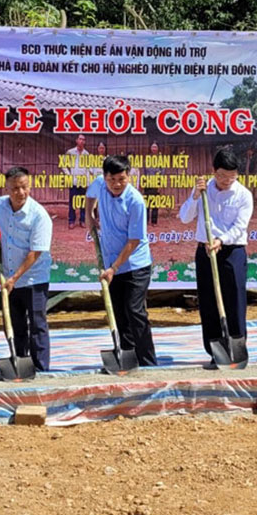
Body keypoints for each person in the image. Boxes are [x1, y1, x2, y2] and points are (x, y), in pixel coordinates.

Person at [178, 149, 254, 363]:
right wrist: (194, 196)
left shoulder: (244, 195)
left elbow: (240, 227)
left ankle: (236, 348)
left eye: (231, 177)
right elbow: (185, 217)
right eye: (221, 176)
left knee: (235, 301)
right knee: (208, 301)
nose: (226, 181)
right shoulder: (203, 190)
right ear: (213, 171)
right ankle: (214, 351)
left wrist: (221, 240)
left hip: (232, 252)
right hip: (205, 251)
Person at [89, 154, 157, 366]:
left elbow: (134, 240)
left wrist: (114, 268)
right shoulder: (99, 184)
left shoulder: (135, 201)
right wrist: (89, 214)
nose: (117, 184)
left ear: (129, 176)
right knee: (118, 312)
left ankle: (147, 361)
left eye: (122, 179)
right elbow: (89, 195)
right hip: (111, 262)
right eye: (112, 180)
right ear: (105, 177)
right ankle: (128, 356)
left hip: (135, 265)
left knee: (134, 310)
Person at [0, 166, 53, 371]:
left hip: (33, 279)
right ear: (7, 188)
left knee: (37, 325)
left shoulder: (39, 216)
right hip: (10, 278)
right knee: (16, 324)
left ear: (30, 186)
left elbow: (35, 252)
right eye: (15, 188)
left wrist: (14, 278)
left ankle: (41, 368)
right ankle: (20, 364)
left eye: (24, 187)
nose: (20, 193)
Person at [64, 134, 91, 229]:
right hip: (74, 181)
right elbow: (64, 165)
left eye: (84, 139)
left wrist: (88, 182)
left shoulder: (86, 154)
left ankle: (82, 220)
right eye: (80, 139)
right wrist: (69, 175)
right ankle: (71, 221)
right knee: (73, 202)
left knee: (83, 202)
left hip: (83, 181)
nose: (82, 141)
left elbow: (88, 169)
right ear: (76, 140)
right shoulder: (70, 152)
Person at [142, 141, 162, 226]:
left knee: (155, 203)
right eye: (153, 147)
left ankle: (154, 222)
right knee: (146, 203)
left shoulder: (161, 160)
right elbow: (144, 171)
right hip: (147, 183)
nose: (154, 149)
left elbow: (162, 173)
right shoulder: (146, 159)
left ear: (158, 149)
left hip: (156, 183)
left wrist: (160, 184)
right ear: (150, 148)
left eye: (155, 147)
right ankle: (146, 221)